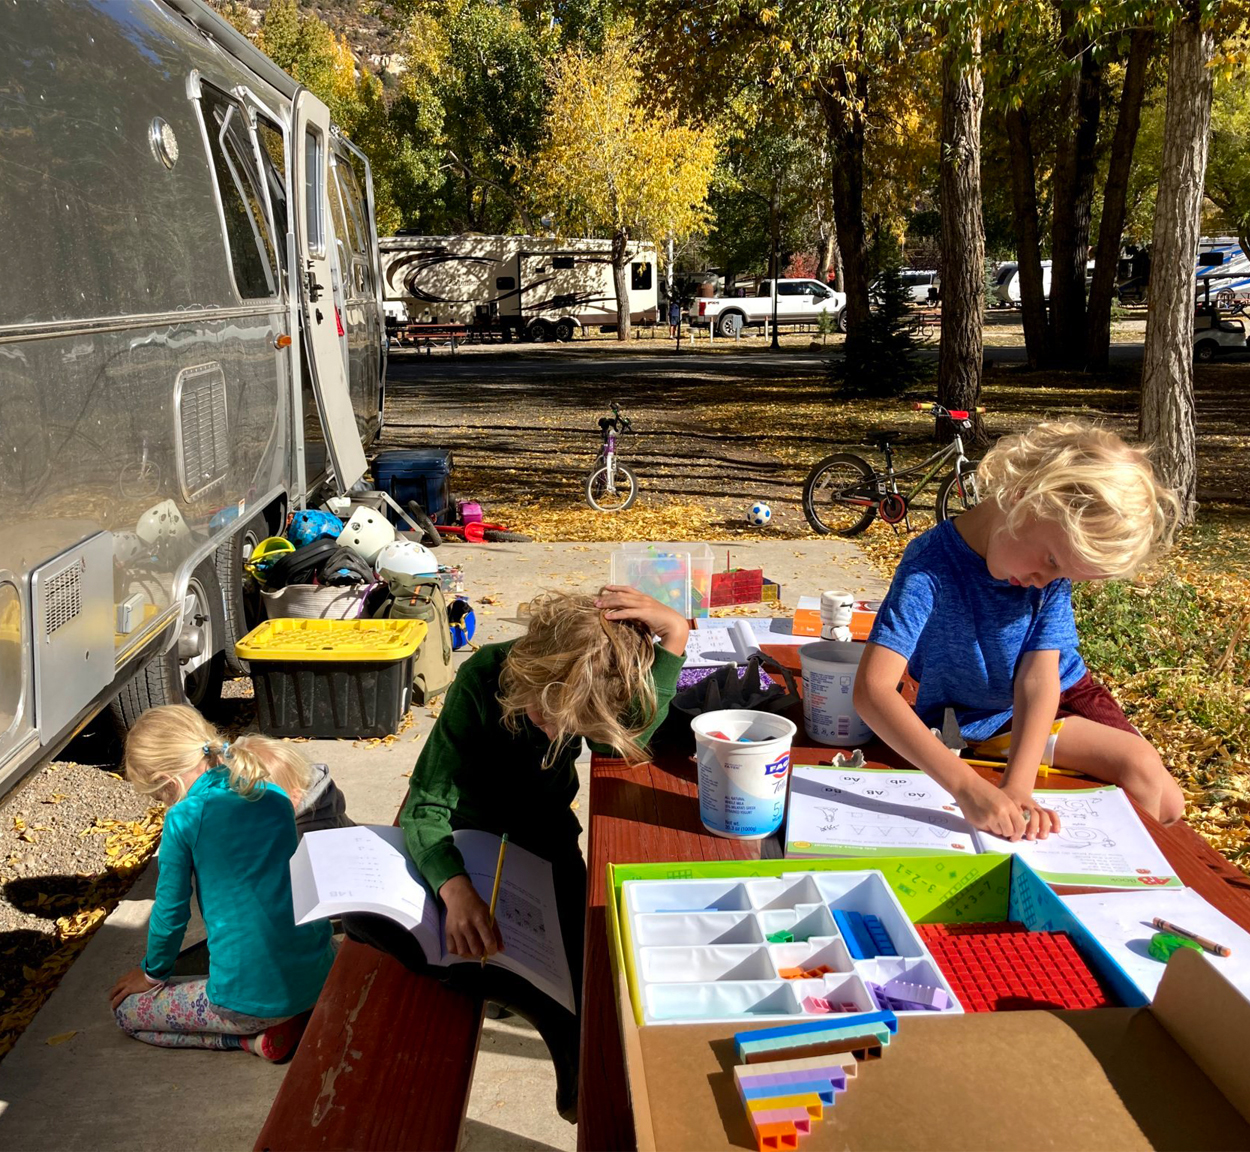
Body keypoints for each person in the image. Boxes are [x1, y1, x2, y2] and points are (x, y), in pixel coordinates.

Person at [345, 586, 688, 1121]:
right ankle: (517, 992)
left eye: (565, 727)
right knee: (372, 916)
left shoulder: (589, 688)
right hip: (464, 838)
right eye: (543, 715)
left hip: (545, 841)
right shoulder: (485, 675)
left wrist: (674, 637)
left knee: (592, 968)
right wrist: (453, 887)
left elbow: (620, 740)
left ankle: (541, 1016)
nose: (551, 730)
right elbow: (427, 800)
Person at [854, 421, 1184, 843]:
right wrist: (969, 790)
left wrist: (1018, 787)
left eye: (1062, 573)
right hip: (989, 716)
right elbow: (872, 690)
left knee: (1168, 803)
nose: (1044, 580)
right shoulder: (930, 566)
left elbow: (1040, 677)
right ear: (1022, 496)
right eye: (1050, 560)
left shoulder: (1045, 575)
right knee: (1138, 767)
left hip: (1060, 691)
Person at [109, 707, 339, 1060]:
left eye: (159, 797)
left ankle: (248, 1040)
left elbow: (171, 914)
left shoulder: (183, 819)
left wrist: (152, 975)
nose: (163, 804)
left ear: (169, 782)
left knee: (126, 1013)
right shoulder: (271, 792)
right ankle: (294, 1012)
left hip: (249, 1002)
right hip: (319, 973)